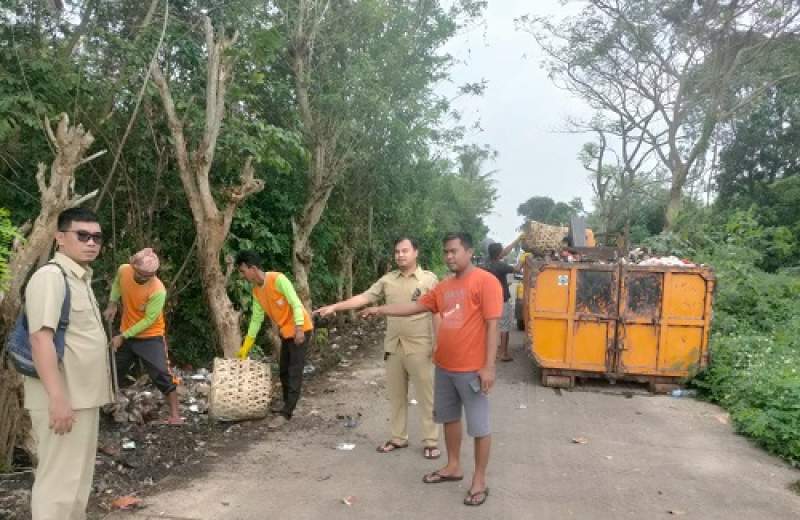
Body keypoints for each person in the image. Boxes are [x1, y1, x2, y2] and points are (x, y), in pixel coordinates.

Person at [362, 232, 502, 507]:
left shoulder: (486, 282)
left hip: (472, 369)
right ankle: (453, 466)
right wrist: (380, 311)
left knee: (479, 426)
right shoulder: (444, 286)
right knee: (449, 419)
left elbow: (493, 326)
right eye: (446, 252)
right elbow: (415, 306)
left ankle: (479, 480)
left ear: (469, 251)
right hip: (445, 366)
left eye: (454, 251)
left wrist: (489, 367)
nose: (449, 256)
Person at [315, 237, 441, 459]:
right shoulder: (387, 280)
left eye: (405, 251)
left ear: (416, 252)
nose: (400, 255)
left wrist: (439, 342)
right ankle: (398, 437)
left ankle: (431, 441)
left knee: (426, 396)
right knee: (396, 396)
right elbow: (364, 297)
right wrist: (336, 306)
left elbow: (437, 311)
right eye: (397, 252)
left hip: (421, 345)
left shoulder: (429, 280)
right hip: (394, 346)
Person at [24, 207, 114, 520]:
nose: (91, 242)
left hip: (83, 399)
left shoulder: (80, 279)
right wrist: (58, 399)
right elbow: (40, 339)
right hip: (62, 399)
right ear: (60, 238)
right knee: (57, 486)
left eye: (97, 237)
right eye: (83, 235)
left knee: (76, 484)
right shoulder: (51, 277)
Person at [235, 250, 313, 430]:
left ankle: (287, 412)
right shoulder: (256, 291)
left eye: (243, 270)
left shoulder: (278, 279)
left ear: (253, 268)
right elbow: (256, 320)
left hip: (301, 328)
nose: (242, 275)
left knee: (294, 370)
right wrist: (246, 346)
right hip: (286, 332)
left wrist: (299, 328)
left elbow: (295, 302)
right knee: (284, 370)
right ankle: (287, 404)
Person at [103, 248, 182, 425]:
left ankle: (175, 415)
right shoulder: (124, 270)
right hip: (127, 333)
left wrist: (123, 336)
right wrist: (112, 303)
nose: (143, 278)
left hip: (150, 336)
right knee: (111, 369)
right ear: (133, 267)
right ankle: (106, 410)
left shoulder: (157, 289)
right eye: (140, 274)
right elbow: (117, 284)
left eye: (148, 276)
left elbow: (149, 320)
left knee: (162, 373)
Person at [482, 237, 522, 362]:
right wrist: (523, 258)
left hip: (488, 300)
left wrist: (516, 240)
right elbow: (516, 269)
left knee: (490, 326)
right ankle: (503, 353)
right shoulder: (501, 266)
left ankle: (488, 351)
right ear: (499, 254)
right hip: (501, 300)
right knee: (504, 327)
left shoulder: (485, 264)